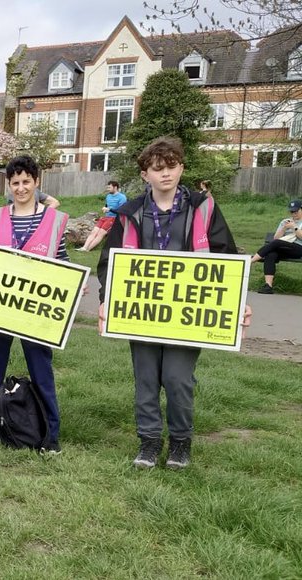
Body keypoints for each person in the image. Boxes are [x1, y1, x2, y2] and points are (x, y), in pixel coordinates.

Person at [97, 137, 250, 469]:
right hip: (142, 313)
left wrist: (237, 303)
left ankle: (181, 442)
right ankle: (149, 441)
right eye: (157, 168)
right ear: (144, 174)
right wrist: (106, 300)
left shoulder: (203, 208)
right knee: (147, 378)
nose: (165, 174)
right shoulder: (130, 213)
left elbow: (224, 259)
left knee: (179, 379)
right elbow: (110, 264)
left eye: (171, 166)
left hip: (187, 315)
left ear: (181, 167)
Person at [0, 155, 69, 454]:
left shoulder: (55, 220)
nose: (21, 187)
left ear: (37, 182)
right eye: (15, 182)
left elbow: (62, 260)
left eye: (27, 181)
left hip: (37, 310)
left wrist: (72, 285)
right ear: (8, 184)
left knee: (42, 370)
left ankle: (50, 434)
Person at [250, 199, 302, 294]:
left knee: (277, 243)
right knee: (271, 253)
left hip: (299, 248)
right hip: (285, 247)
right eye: (291, 211)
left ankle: (252, 260)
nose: (293, 214)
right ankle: (268, 286)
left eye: (296, 211)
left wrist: (294, 227)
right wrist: (284, 228)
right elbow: (276, 238)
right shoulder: (285, 221)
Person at [77, 181, 127, 252]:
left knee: (100, 233)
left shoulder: (122, 197)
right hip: (105, 217)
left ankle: (88, 249)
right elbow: (107, 205)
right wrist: (105, 208)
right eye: (107, 187)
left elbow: (121, 210)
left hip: (114, 218)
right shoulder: (108, 196)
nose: (108, 189)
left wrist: (109, 209)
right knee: (94, 232)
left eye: (109, 187)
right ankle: (84, 248)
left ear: (115, 187)